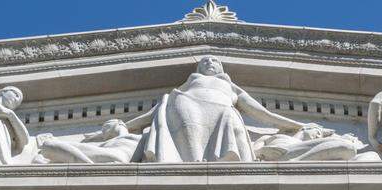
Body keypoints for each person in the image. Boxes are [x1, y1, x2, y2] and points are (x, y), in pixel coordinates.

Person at [125, 56, 317, 162]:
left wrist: (297, 124)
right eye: (204, 62)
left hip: (223, 112)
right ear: (198, 69)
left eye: (214, 61)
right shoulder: (189, 83)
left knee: (230, 120)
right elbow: (160, 108)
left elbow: (261, 113)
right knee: (189, 133)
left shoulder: (230, 86)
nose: (209, 62)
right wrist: (127, 125)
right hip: (187, 104)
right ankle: (193, 172)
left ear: (221, 68)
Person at [34, 119, 141, 164]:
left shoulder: (140, 137)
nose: (103, 133)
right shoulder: (138, 139)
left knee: (48, 145)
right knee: (41, 158)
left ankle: (91, 168)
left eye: (106, 127)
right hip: (111, 157)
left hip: (113, 156)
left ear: (119, 123)